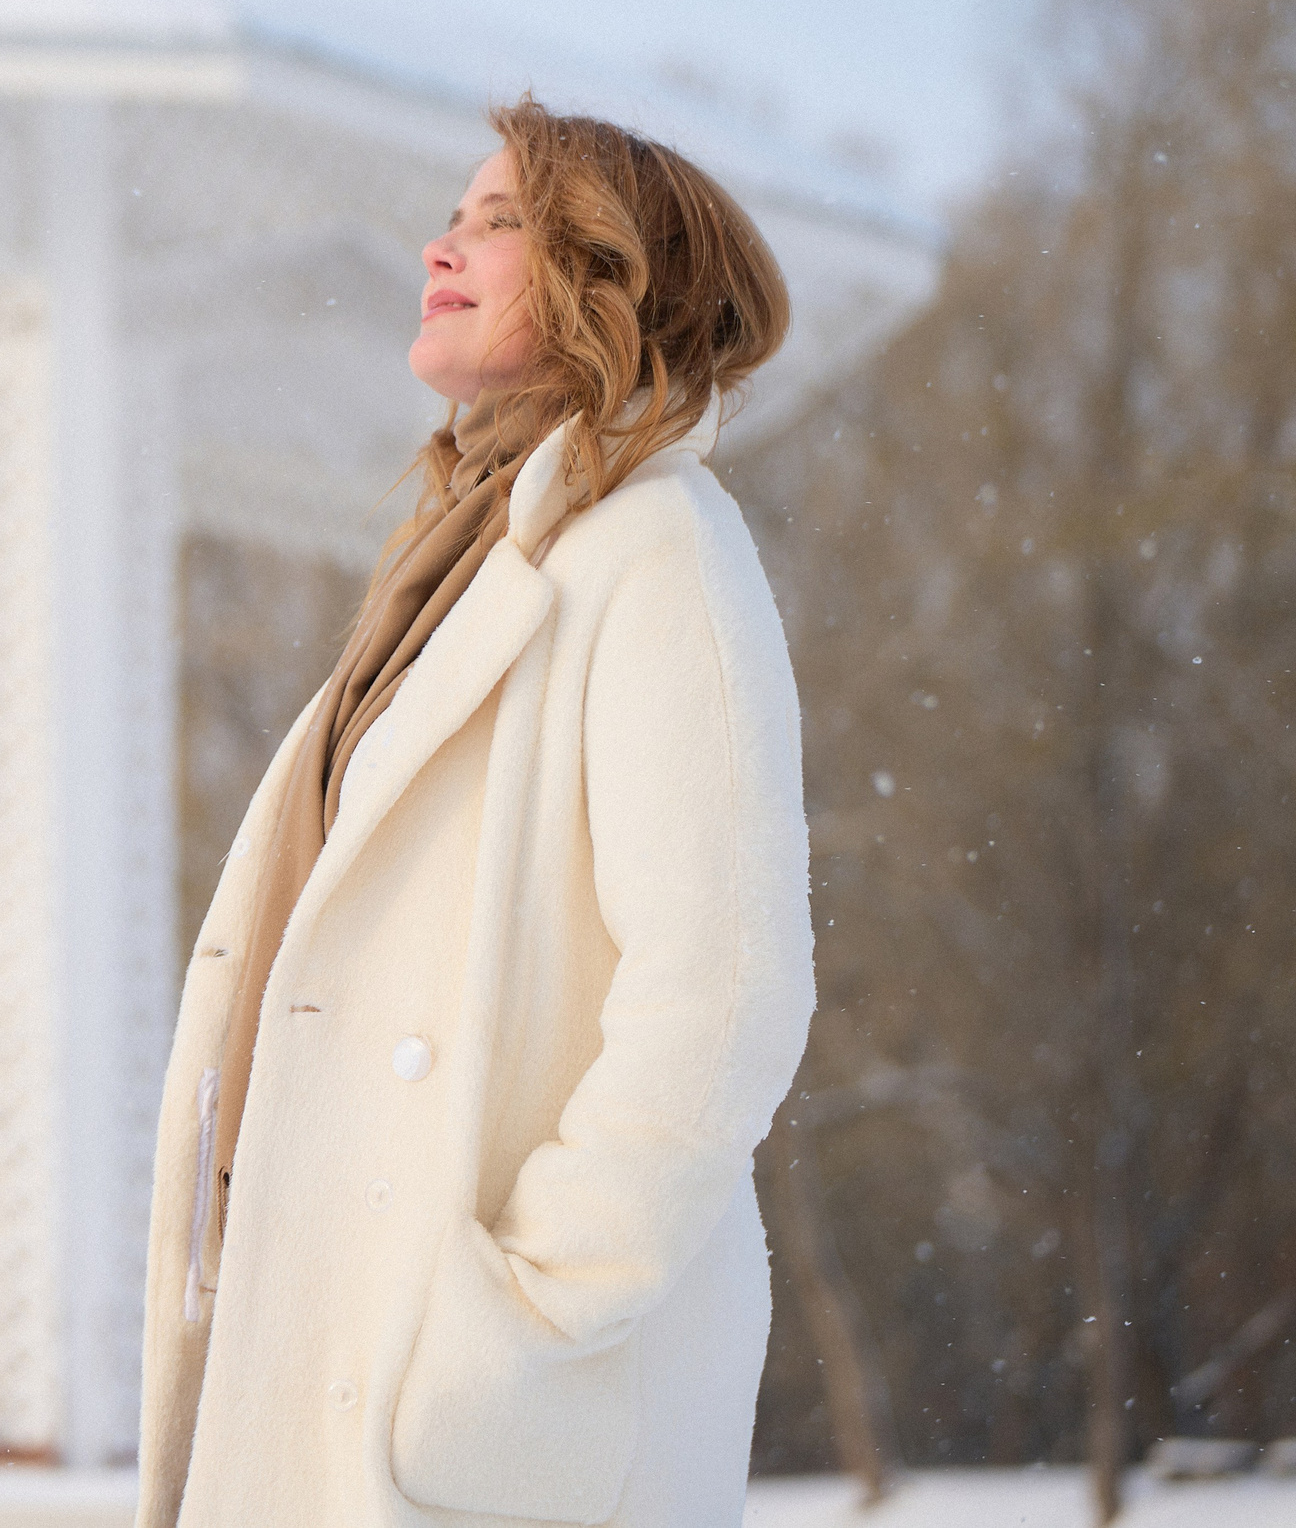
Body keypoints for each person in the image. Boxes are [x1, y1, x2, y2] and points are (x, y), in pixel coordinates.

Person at [135, 96, 815, 1527]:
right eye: (454, 215)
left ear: (609, 276)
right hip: (318, 1334)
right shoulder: (453, 570)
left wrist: (516, 1318)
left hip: (469, 1405)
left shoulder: (659, 553)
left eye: (501, 221)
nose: (445, 246)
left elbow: (724, 992)